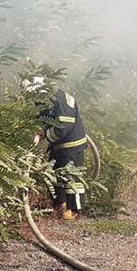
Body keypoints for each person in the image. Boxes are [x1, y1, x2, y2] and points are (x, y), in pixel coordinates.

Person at [23, 76, 88, 219]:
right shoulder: (49, 99)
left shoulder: (61, 100)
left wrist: (44, 134)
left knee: (71, 177)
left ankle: (73, 210)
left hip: (72, 145)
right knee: (56, 174)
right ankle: (60, 205)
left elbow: (63, 127)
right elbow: (44, 116)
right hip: (59, 145)